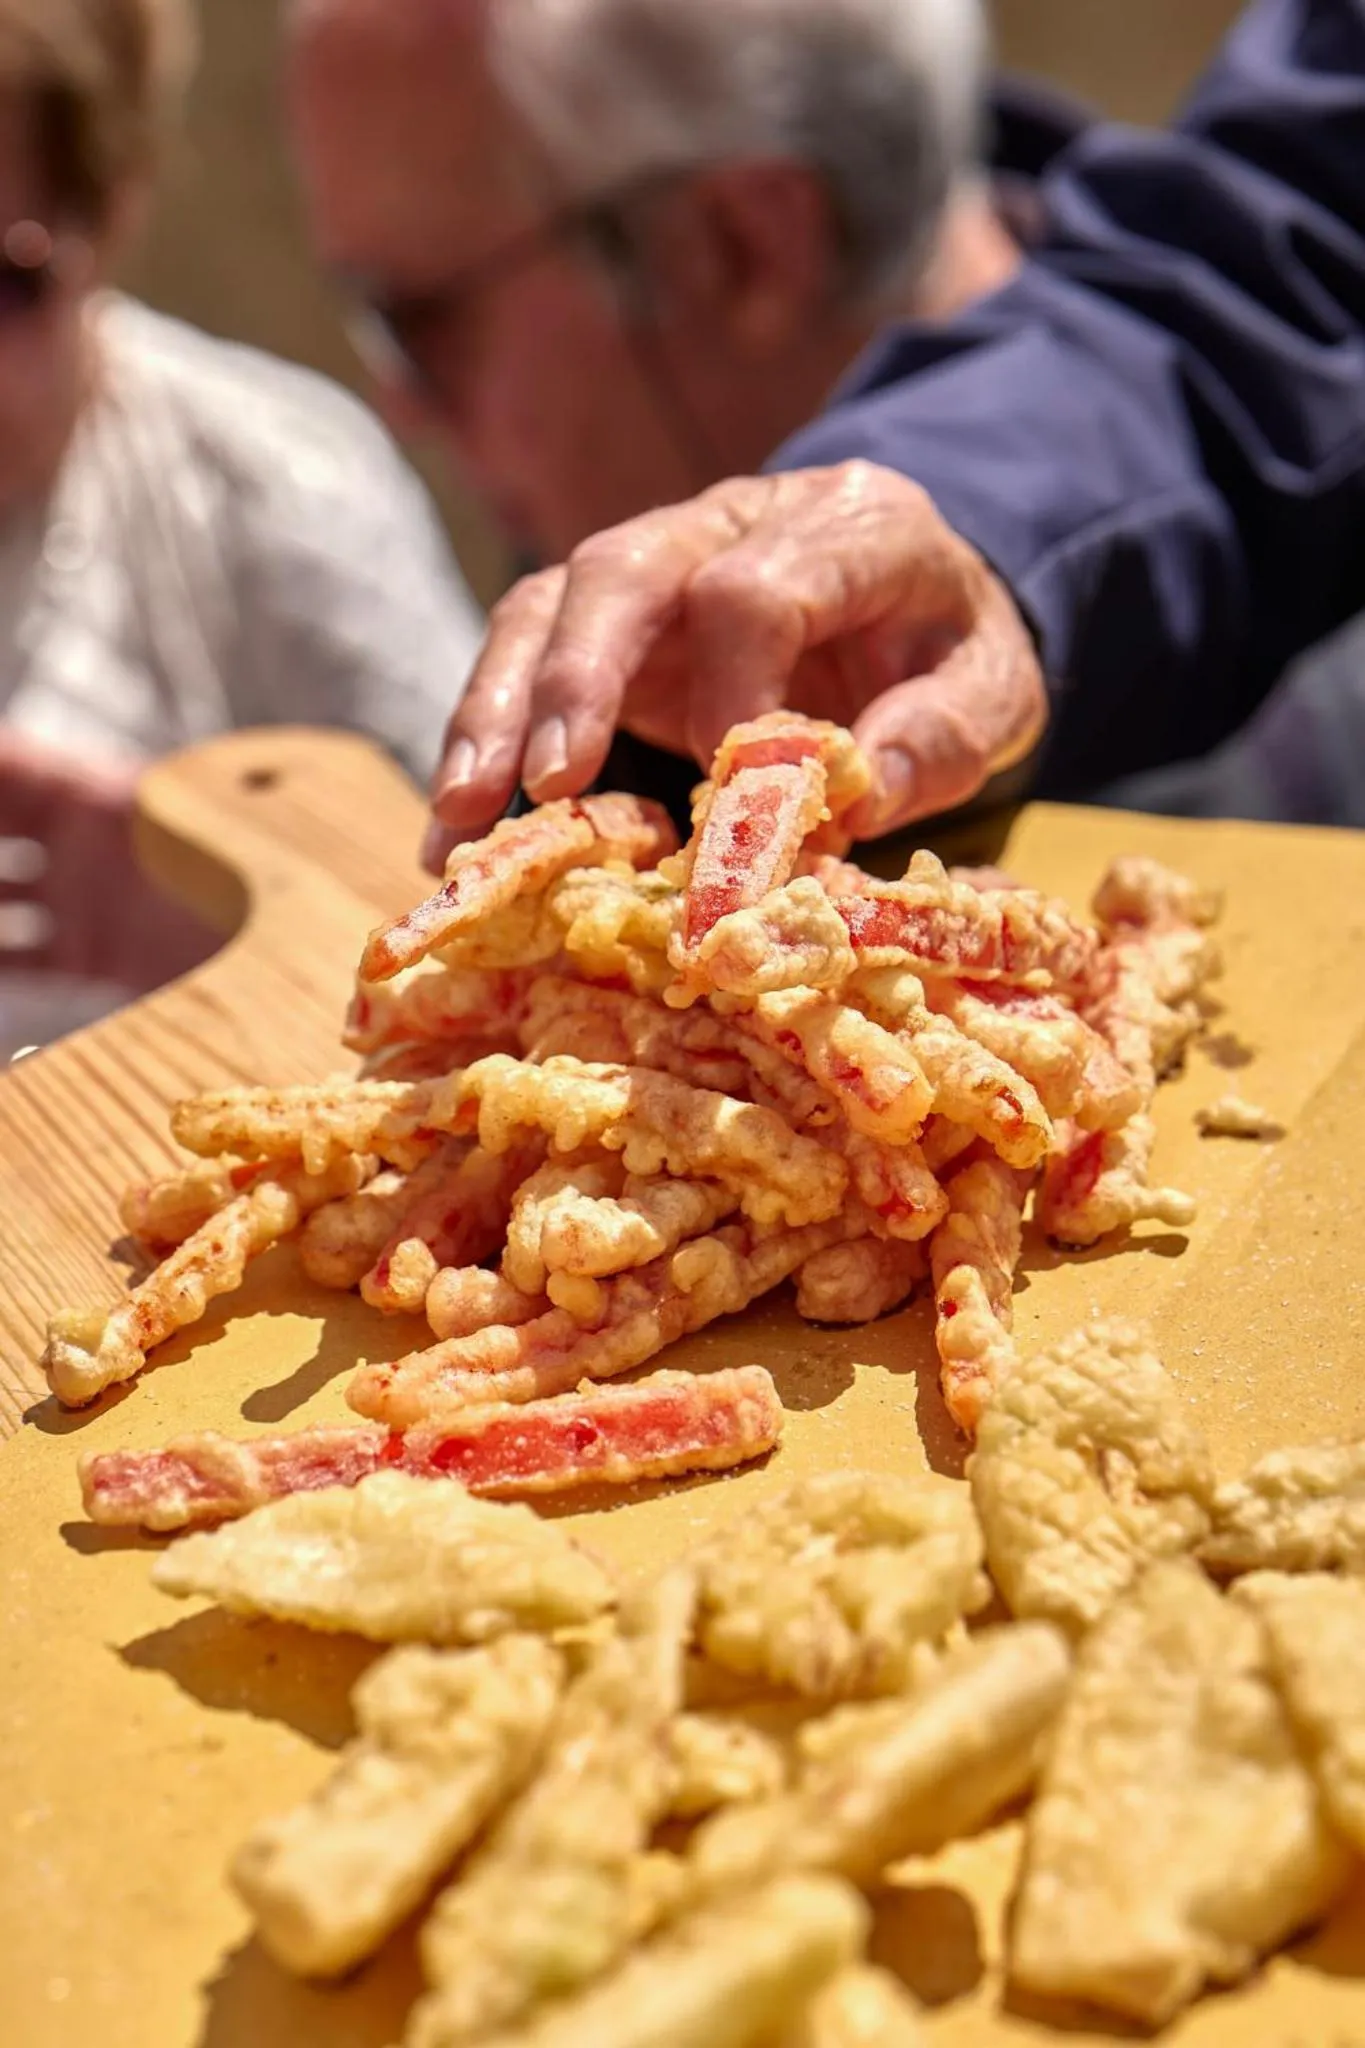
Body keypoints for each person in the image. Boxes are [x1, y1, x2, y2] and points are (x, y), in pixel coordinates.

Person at [290, 0, 1365, 861]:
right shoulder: (623, 631)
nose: (399, 401)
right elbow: (1296, 253)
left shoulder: (1281, 803)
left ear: (746, 243)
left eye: (416, 317)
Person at [0, 0, 485, 1043]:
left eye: (5, 282)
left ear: (109, 215)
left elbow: (499, 923)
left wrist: (239, 916)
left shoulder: (273, 487)